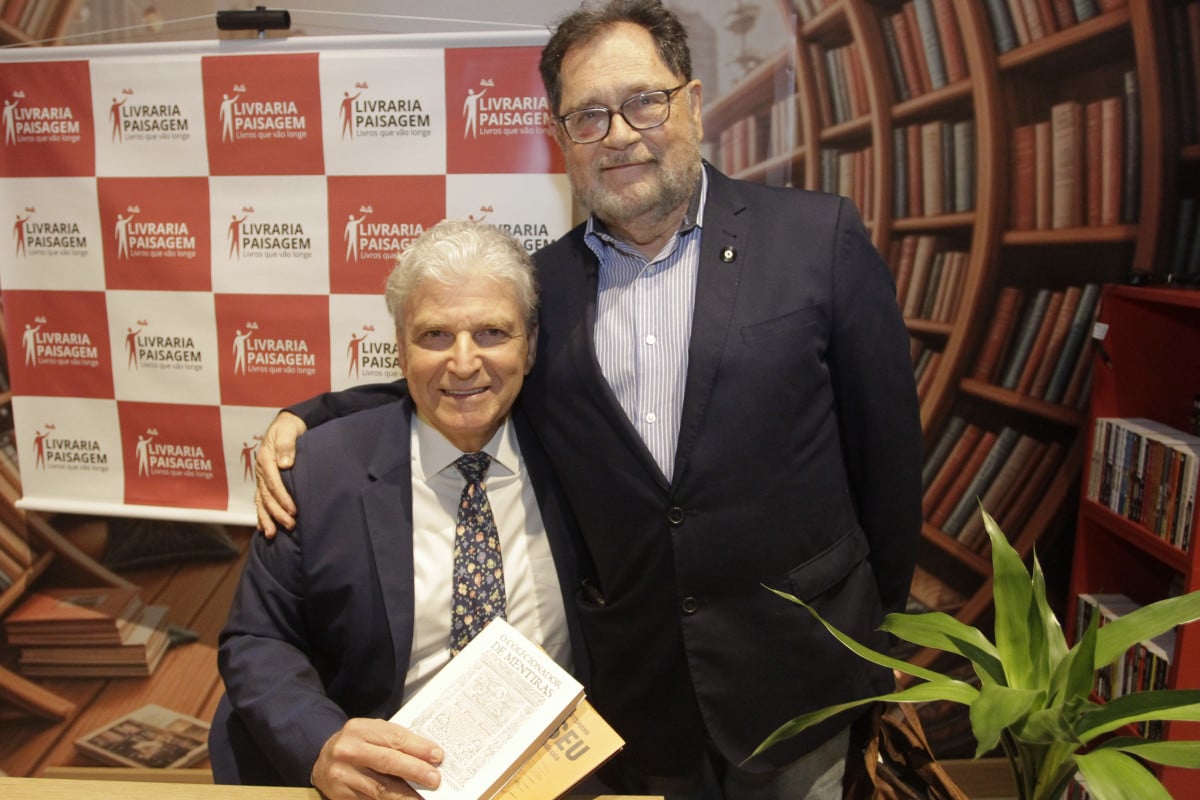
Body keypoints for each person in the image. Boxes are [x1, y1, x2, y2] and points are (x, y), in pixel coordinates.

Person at [255, 2, 923, 798]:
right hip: (641, 708)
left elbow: (889, 465)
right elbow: (463, 378)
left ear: (694, 103)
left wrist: (872, 639)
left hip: (801, 687)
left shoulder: (819, 240)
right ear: (561, 136)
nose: (619, 133)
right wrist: (307, 418)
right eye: (588, 115)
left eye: (644, 100)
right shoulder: (548, 287)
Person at [210, 219, 586, 798]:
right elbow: (259, 640)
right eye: (434, 336)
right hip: (385, 783)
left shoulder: (581, 454)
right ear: (399, 346)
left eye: (492, 333)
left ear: (530, 346)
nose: (464, 363)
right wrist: (321, 745)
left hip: (553, 770)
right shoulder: (316, 473)